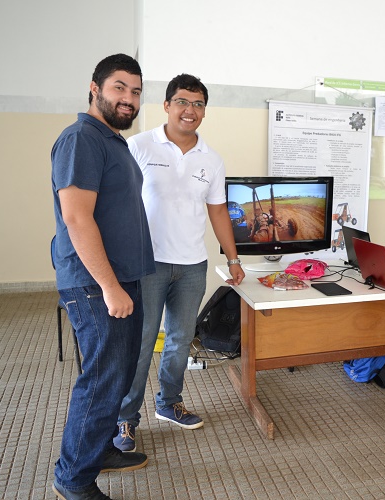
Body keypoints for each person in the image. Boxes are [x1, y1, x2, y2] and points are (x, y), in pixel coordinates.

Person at [113, 74, 245, 453]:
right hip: (146, 264)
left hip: (191, 266)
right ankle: (125, 419)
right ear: (167, 105)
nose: (191, 110)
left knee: (180, 340)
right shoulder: (137, 145)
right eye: (184, 102)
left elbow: (218, 211)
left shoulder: (212, 158)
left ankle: (169, 403)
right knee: (140, 344)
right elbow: (119, 204)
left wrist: (233, 257)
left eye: (199, 104)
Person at [51, 53, 155, 499]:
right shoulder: (81, 138)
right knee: (101, 380)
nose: (128, 98)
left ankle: (98, 451)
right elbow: (77, 219)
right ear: (94, 88)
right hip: (97, 285)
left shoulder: (113, 140)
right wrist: (110, 287)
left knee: (118, 374)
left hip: (119, 281)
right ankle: (73, 480)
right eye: (119, 88)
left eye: (135, 91)